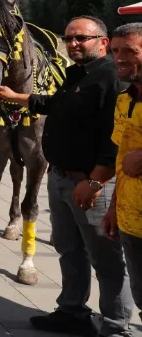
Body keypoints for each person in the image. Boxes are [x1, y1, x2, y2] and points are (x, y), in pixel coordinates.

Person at [0, 16, 133, 336]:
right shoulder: (76, 74)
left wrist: (97, 181)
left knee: (106, 258)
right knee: (69, 249)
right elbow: (55, 104)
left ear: (103, 41)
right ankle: (72, 311)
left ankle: (116, 325)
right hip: (61, 179)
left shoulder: (111, 77)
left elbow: (116, 138)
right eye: (69, 38)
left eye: (81, 38)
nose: (73, 44)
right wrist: (18, 97)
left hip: (91, 183)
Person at [104, 23, 142, 328]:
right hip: (131, 219)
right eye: (115, 51)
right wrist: (114, 206)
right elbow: (121, 160)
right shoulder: (124, 100)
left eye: (129, 51)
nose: (119, 58)